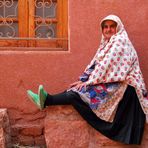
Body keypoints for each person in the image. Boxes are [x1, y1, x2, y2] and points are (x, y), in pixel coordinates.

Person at [27, 15, 148, 145]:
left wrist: (88, 82)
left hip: (127, 88)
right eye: (105, 27)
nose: (108, 29)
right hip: (114, 82)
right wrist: (84, 79)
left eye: (112, 26)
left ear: (118, 28)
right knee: (77, 89)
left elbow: (107, 66)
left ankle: (47, 100)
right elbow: (95, 64)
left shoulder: (120, 41)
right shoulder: (107, 44)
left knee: (79, 94)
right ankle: (46, 99)